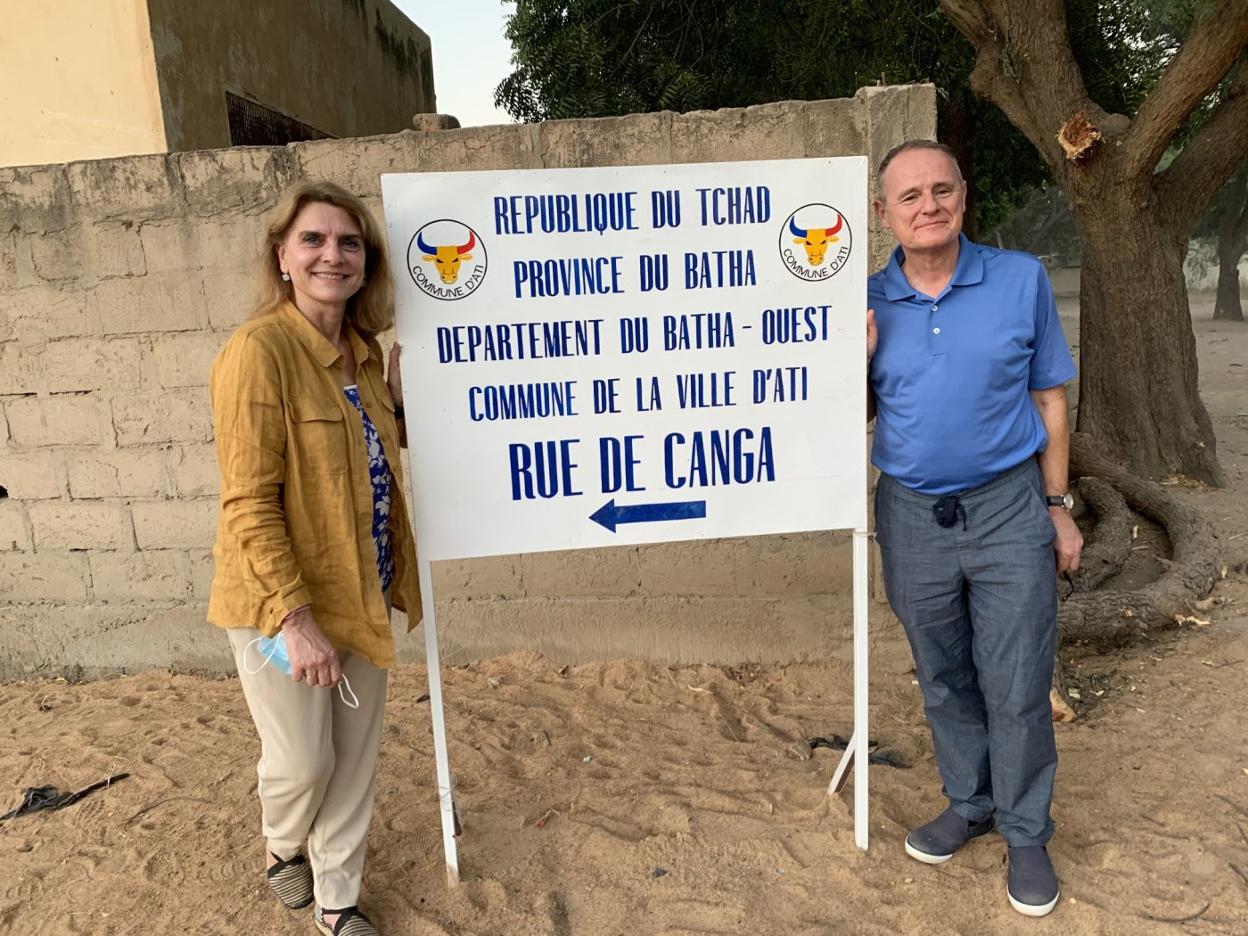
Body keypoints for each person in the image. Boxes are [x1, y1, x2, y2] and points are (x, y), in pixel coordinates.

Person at [866, 140, 1083, 918]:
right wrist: (849, 365)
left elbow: (1051, 399)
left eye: (942, 189)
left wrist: (1058, 510)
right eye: (911, 196)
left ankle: (1026, 830)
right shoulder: (866, 301)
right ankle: (971, 800)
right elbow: (846, 421)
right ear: (883, 211)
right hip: (911, 513)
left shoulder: (1018, 279)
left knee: (1018, 676)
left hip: (1008, 507)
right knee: (943, 671)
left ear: (962, 195)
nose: (929, 206)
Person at [208, 180, 422, 936]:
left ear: (367, 262)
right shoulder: (258, 352)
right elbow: (248, 501)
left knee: (354, 761)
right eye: (314, 240)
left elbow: (374, 471)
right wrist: (293, 619)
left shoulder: (365, 360)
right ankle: (279, 846)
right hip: (277, 601)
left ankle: (339, 901)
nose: (333, 254)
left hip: (359, 587)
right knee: (303, 762)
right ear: (283, 258)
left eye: (349, 242)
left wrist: (404, 413)